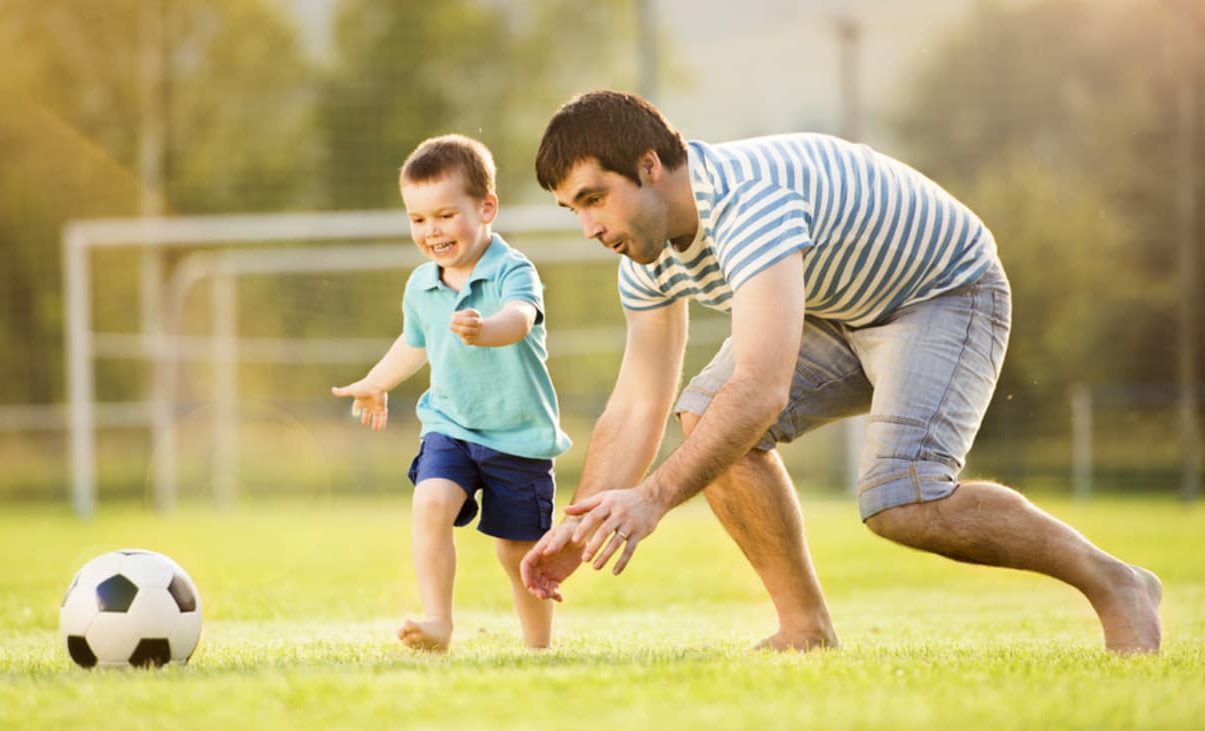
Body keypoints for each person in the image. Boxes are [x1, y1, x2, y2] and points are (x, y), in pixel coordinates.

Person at [519, 90, 1162, 653]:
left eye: (594, 199)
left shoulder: (749, 205)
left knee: (902, 500)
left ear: (649, 167)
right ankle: (805, 628)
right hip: (837, 308)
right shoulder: (644, 255)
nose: (587, 227)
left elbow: (763, 389)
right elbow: (637, 404)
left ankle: (1117, 581)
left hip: (942, 292)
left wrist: (654, 498)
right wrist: (583, 521)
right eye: (573, 209)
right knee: (704, 414)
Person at [332, 134, 571, 651]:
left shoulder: (513, 269)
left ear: (486, 208)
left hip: (518, 436)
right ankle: (438, 621)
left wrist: (485, 329)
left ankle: (537, 646)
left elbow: (520, 318)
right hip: (451, 425)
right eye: (418, 220)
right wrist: (376, 382)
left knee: (516, 551)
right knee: (431, 501)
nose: (431, 231)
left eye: (444, 215)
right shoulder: (421, 284)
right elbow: (414, 341)